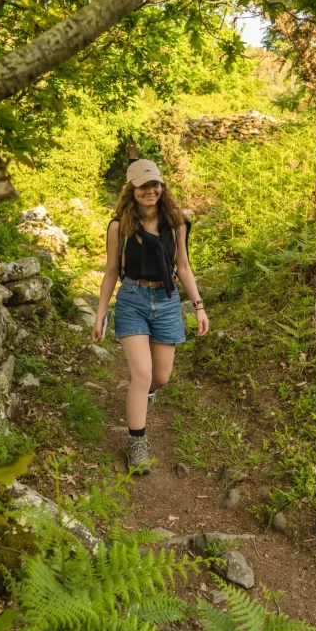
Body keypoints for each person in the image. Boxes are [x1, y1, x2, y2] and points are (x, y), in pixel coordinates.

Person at [92, 158, 209, 473]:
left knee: (160, 378)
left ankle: (147, 396)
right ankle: (137, 444)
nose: (150, 190)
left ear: (161, 185)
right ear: (132, 189)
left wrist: (198, 305)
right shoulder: (120, 226)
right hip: (132, 299)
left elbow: (182, 267)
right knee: (141, 375)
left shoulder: (177, 223)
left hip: (167, 299)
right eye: (143, 185)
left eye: (155, 183)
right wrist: (101, 315)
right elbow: (111, 272)